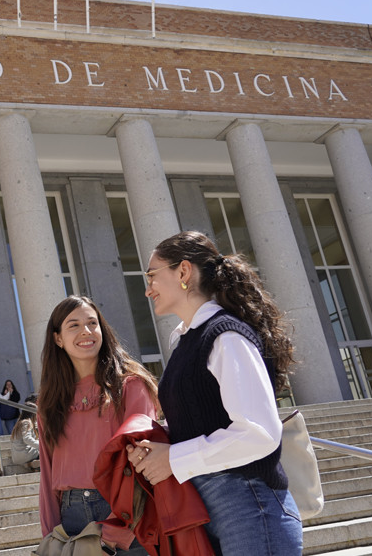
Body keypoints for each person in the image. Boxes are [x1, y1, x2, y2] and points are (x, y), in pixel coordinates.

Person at [126, 231, 303, 556]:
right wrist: (158, 443)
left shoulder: (226, 337)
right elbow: (202, 420)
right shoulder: (185, 341)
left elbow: (261, 433)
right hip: (216, 510)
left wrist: (173, 459)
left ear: (183, 271)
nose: (147, 288)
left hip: (252, 510)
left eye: (152, 275)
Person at [37, 295, 159, 555]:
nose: (86, 331)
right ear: (58, 338)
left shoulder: (131, 385)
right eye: (74, 325)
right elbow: (48, 472)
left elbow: (143, 459)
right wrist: (50, 533)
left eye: (93, 323)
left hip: (127, 515)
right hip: (72, 519)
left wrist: (117, 529)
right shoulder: (49, 401)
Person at [10, 393, 40, 469]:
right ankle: (34, 465)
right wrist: (41, 446)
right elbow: (27, 439)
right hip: (25, 454)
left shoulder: (19, 422)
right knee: (46, 451)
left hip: (17, 456)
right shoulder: (26, 422)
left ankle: (31, 465)